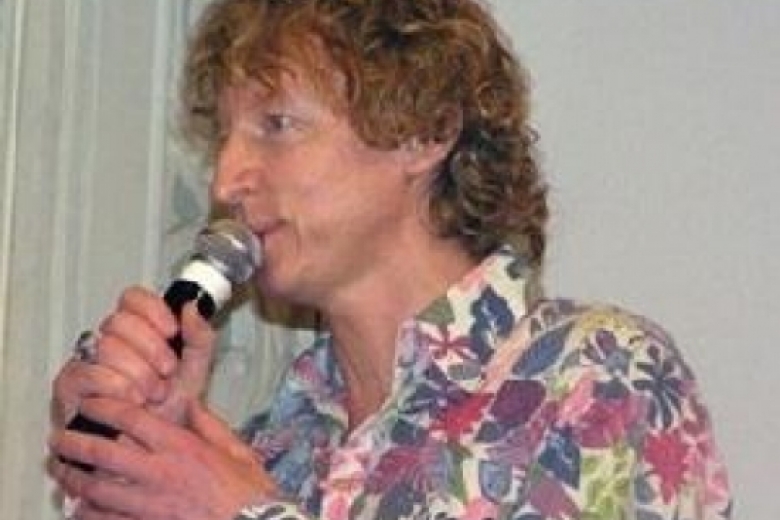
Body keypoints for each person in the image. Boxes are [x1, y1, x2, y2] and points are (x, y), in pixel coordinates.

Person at [48, 0, 733, 519]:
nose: (227, 181)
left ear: (424, 132)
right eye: (224, 135)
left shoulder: (599, 381)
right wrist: (140, 450)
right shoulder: (280, 444)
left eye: (278, 125)